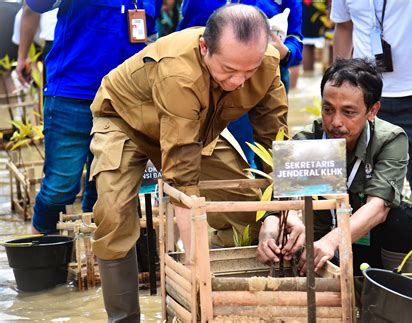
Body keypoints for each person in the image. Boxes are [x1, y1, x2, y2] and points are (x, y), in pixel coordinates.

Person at [90, 5, 287, 321]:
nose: (238, 81)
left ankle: (234, 299)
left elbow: (277, 144)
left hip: (194, 125)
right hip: (125, 121)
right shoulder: (179, 72)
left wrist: (279, 213)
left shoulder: (264, 63)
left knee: (248, 208)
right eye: (228, 70)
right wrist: (195, 267)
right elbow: (181, 175)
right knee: (113, 214)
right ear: (204, 48)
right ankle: (124, 317)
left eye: (248, 71)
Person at [256, 58, 412, 276]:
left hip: (365, 242)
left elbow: (378, 209)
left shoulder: (390, 140)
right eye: (328, 109)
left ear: (372, 110)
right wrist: (272, 224)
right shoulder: (307, 140)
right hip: (318, 246)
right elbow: (281, 202)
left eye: (348, 112)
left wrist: (332, 241)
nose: (335, 122)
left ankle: (407, 294)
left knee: (404, 218)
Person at [25, 0, 161, 236]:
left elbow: (150, 40)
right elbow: (37, 4)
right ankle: (40, 257)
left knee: (106, 188)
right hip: (72, 97)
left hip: (122, 101)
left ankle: (99, 260)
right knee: (60, 187)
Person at [331, 0, 412, 240]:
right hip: (364, 94)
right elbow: (343, 27)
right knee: (360, 177)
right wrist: (337, 85)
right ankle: (369, 252)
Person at [177, 0, 302, 169]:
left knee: (267, 148)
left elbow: (296, 37)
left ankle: (269, 190)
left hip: (263, 73)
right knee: (208, 152)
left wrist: (285, 52)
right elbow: (182, 32)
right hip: (208, 79)